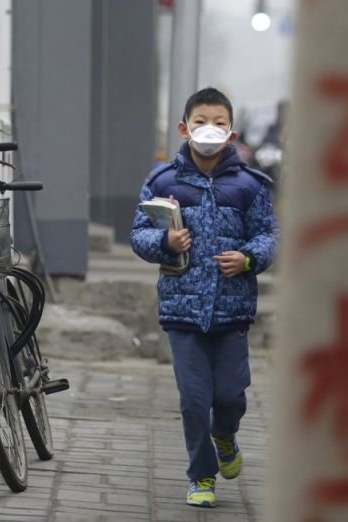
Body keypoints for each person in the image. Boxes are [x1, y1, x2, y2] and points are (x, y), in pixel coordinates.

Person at [130, 87, 278, 508]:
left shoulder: (249, 185)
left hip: (232, 311)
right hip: (182, 310)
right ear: (184, 128)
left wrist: (248, 258)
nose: (209, 129)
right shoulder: (163, 181)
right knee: (194, 400)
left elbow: (269, 234)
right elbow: (139, 234)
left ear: (231, 134)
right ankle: (201, 476)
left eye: (218, 123)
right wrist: (166, 242)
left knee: (230, 395)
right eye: (200, 121)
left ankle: (225, 436)